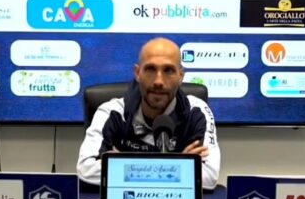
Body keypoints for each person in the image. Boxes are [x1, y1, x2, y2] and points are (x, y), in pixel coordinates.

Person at [77, 37, 220, 190]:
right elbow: (86, 169)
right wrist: (180, 166)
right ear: (137, 73)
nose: (158, 81)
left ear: (180, 76)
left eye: (168, 70)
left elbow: (209, 176)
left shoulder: (197, 111)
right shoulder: (111, 111)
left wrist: (121, 163)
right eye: (150, 69)